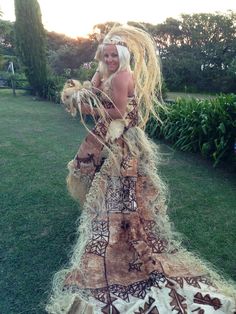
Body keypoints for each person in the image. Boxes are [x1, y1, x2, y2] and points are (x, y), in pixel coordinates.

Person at [46, 25, 236, 314]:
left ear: (123, 55)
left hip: (124, 139)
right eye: (106, 54)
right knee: (101, 180)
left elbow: (119, 112)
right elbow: (93, 90)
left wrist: (89, 108)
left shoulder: (123, 75)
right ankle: (108, 219)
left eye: (114, 55)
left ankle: (122, 227)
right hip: (104, 134)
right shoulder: (103, 71)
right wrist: (78, 93)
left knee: (123, 185)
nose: (110, 59)